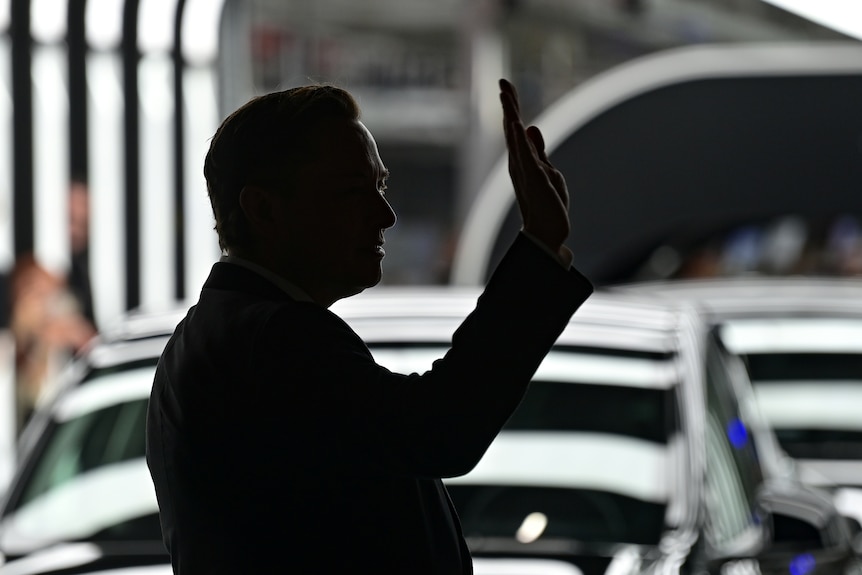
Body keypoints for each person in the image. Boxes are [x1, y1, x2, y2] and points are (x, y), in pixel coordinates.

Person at [146, 79, 593, 574]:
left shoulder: (215, 338)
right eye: (353, 191)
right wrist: (539, 247)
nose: (385, 214)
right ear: (264, 209)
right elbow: (440, 429)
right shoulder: (275, 339)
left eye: (379, 185)